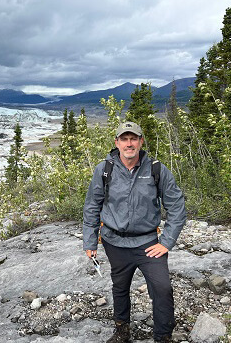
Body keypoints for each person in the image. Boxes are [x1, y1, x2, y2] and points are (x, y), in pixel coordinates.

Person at [83, 122, 186, 343]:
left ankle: (163, 337)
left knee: (162, 288)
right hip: (114, 242)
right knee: (120, 287)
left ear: (141, 141)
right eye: (124, 139)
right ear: (117, 142)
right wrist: (90, 242)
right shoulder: (104, 169)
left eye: (133, 138)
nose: (129, 143)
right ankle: (122, 331)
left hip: (148, 243)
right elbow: (92, 205)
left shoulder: (157, 169)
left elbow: (177, 207)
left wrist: (166, 242)